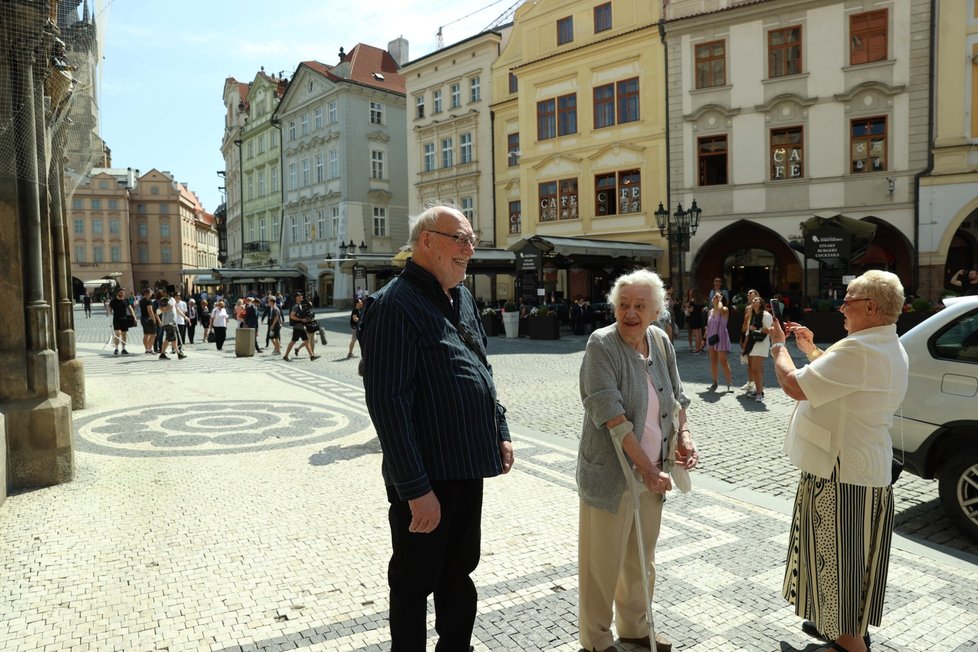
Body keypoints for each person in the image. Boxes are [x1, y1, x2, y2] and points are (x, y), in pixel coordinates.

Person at [360, 205, 514, 651]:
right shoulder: (391, 305)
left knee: (459, 572)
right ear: (426, 241)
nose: (469, 249)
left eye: (471, 240)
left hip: (466, 466)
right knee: (413, 583)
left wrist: (499, 428)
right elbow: (388, 405)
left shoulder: (461, 295)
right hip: (426, 477)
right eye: (460, 239)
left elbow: (481, 367)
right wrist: (415, 489)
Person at [770, 270, 909, 652]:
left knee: (838, 568)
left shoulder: (860, 349)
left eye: (847, 300)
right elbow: (844, 385)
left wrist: (778, 348)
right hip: (857, 471)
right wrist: (813, 352)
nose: (841, 306)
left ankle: (848, 645)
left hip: (842, 475)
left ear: (870, 306)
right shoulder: (882, 343)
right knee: (848, 566)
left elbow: (795, 386)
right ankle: (843, 632)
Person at [577, 269, 698, 652]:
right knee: (602, 564)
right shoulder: (602, 344)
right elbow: (609, 413)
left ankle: (635, 627)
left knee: (641, 560)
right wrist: (646, 469)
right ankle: (596, 639)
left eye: (640, 306)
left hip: (655, 471)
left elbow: (677, 397)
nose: (630, 313)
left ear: (657, 310)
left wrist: (685, 438)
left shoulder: (660, 341)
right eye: (623, 304)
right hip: (612, 476)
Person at [744, 295, 773, 402]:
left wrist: (757, 329)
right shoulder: (753, 315)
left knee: (756, 367)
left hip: (761, 343)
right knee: (756, 368)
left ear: (761, 303)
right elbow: (748, 331)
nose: (753, 300)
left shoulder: (765, 315)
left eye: (756, 300)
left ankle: (759, 393)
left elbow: (770, 330)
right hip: (753, 343)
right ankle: (758, 390)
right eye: (753, 300)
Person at [705, 293, 733, 392]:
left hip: (721, 336)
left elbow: (720, 309)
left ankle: (729, 383)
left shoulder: (725, 310)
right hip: (711, 337)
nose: (714, 298)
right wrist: (705, 335)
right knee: (713, 360)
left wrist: (719, 300)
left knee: (723, 360)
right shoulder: (710, 311)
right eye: (714, 297)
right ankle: (714, 382)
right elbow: (708, 325)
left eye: (716, 297)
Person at [282, 291, 318, 361]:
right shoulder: (295, 306)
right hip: (298, 327)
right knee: (293, 341)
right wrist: (301, 320)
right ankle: (285, 356)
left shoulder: (300, 305)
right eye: (300, 296)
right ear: (297, 297)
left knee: (306, 341)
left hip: (301, 327)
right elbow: (292, 316)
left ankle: (312, 356)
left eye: (301, 296)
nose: (301, 297)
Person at [739, 289, 760, 394]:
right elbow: (744, 323)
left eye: (753, 294)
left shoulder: (759, 308)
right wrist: (742, 337)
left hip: (755, 336)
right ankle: (750, 382)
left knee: (755, 362)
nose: (750, 295)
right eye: (749, 294)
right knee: (749, 362)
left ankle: (756, 384)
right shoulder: (747, 308)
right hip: (747, 334)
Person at [157, 293, 186, 360]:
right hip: (168, 323)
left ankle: (163, 354)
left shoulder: (172, 299)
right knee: (173, 339)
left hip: (172, 322)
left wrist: (185, 317)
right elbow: (160, 310)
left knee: (168, 339)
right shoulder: (164, 300)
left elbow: (175, 309)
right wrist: (168, 307)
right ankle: (178, 354)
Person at [108, 288, 136, 355]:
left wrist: (134, 317)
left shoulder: (126, 300)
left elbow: (130, 308)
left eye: (123, 292)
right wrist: (109, 309)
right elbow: (109, 309)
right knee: (117, 333)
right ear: (118, 293)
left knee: (124, 334)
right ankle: (116, 348)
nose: (123, 294)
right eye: (121, 292)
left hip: (124, 319)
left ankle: (123, 348)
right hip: (116, 319)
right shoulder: (113, 301)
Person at [138, 288, 159, 354]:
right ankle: (149, 349)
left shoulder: (141, 301)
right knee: (153, 335)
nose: (152, 294)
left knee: (146, 334)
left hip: (143, 318)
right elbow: (150, 310)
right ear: (148, 293)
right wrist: (154, 319)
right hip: (148, 319)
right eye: (151, 293)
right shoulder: (149, 301)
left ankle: (147, 349)